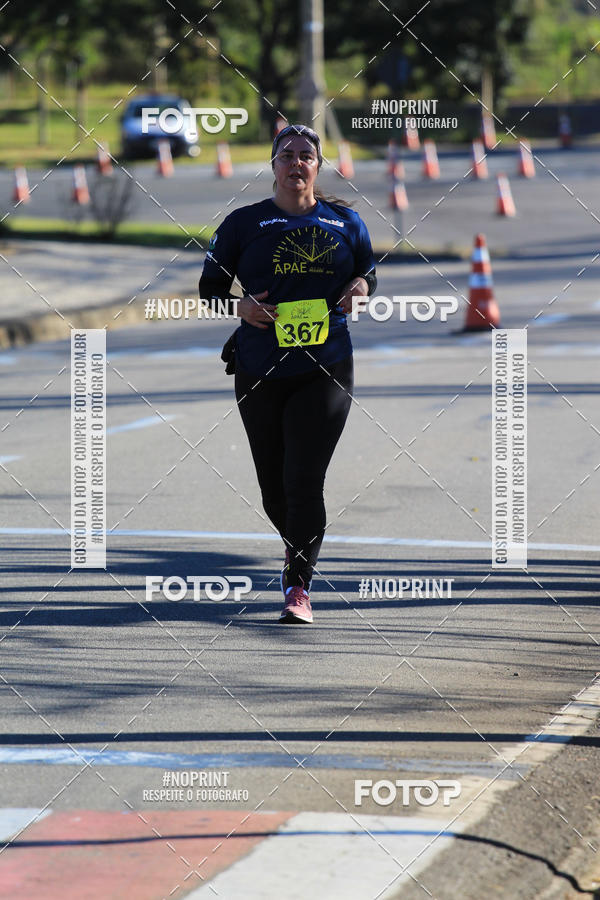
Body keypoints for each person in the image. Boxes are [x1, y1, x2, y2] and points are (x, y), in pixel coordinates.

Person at [199, 124, 377, 624]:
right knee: (273, 487)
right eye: (287, 155)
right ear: (273, 166)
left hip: (326, 366)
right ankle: (296, 544)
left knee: (303, 479)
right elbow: (209, 287)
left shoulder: (345, 222)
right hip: (259, 369)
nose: (296, 163)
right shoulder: (243, 223)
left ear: (317, 167)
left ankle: (298, 584)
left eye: (306, 156)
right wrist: (244, 309)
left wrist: (362, 286)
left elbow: (369, 272)